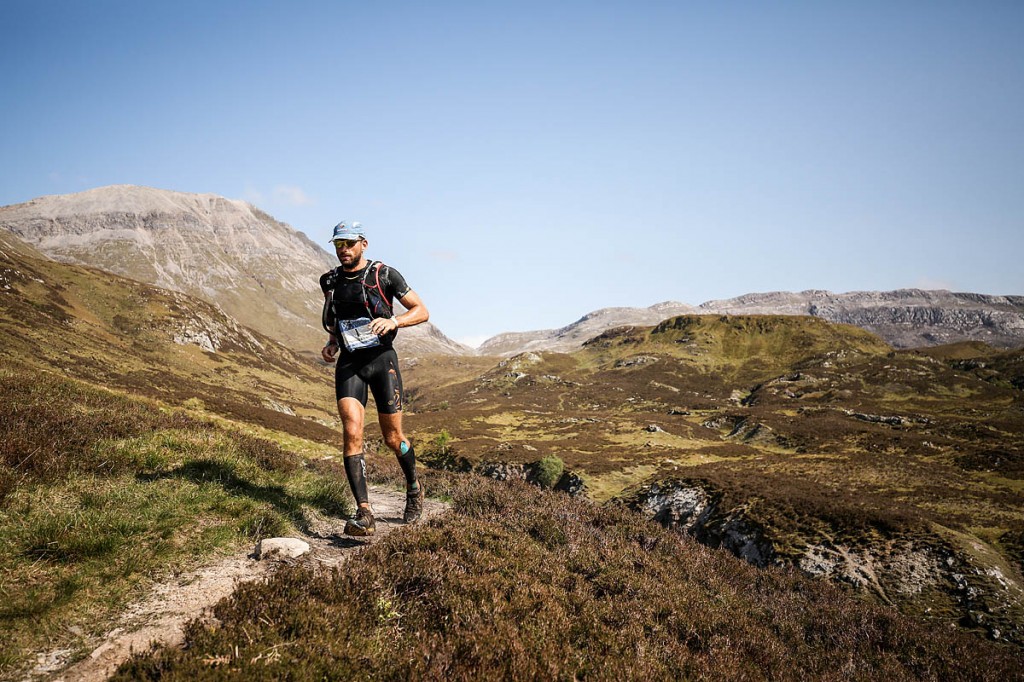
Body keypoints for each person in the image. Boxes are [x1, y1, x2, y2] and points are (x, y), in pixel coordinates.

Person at [319, 220, 429, 536]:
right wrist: (332, 343)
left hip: (382, 362)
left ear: (363, 244)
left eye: (349, 244)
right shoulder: (329, 281)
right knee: (352, 429)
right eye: (338, 245)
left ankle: (413, 486)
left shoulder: (385, 275)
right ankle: (364, 512)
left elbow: (421, 311)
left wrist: (394, 322)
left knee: (393, 438)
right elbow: (337, 319)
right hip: (350, 363)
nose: (343, 250)